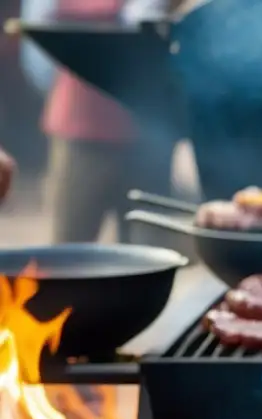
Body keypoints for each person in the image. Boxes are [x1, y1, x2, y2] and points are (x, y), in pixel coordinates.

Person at [21, 0, 175, 243]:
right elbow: (37, 40)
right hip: (83, 128)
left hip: (150, 135)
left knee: (150, 248)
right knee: (70, 250)